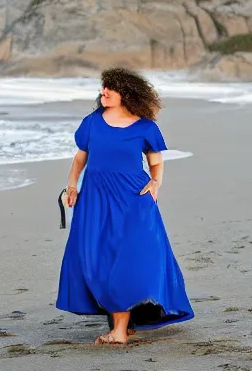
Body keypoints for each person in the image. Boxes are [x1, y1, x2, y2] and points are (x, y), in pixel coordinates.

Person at [56, 67, 194, 345]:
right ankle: (123, 321)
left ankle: (119, 330)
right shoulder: (93, 122)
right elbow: (80, 157)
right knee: (98, 256)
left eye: (110, 88)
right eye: (103, 87)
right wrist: (72, 187)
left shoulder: (145, 127)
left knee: (128, 258)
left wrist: (156, 183)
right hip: (94, 198)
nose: (103, 92)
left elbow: (156, 161)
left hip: (133, 199)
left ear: (126, 94)